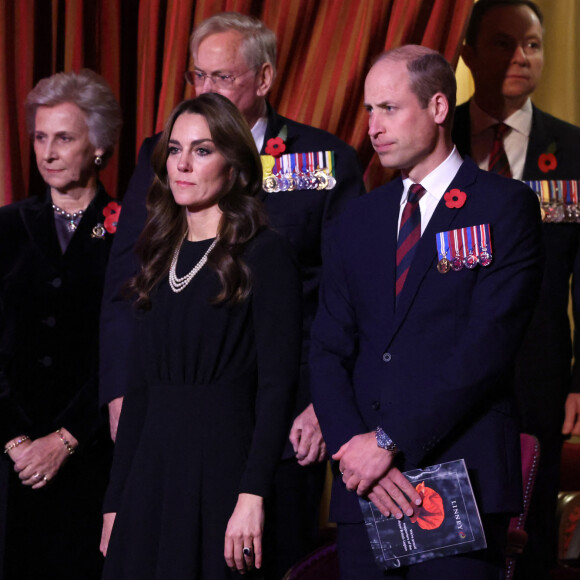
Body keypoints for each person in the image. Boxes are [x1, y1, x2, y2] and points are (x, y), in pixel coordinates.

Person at [99, 12, 366, 575]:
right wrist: (119, 393)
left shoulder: (324, 161)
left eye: (221, 78)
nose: (206, 91)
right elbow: (127, 292)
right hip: (165, 418)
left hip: (280, 414)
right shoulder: (164, 166)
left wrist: (326, 401)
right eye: (197, 77)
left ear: (264, 78)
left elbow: (347, 295)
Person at [310, 45, 544, 579]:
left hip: (460, 476)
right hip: (364, 483)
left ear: (439, 108)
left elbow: (486, 347)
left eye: (389, 108)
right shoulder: (356, 220)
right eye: (369, 111)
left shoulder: (504, 206)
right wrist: (353, 448)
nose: (373, 126)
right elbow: (326, 348)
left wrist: (391, 442)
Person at [99, 93, 301, 580]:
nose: (183, 165)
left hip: (222, 469)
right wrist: (115, 500)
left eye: (203, 150)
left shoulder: (264, 253)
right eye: (174, 150)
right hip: (151, 470)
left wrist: (252, 495)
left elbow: (277, 388)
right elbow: (139, 389)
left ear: (234, 164)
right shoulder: (156, 253)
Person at [453, 1, 580, 575]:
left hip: (539, 370)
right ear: (468, 54)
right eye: (503, 43)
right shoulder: (433, 134)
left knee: (530, 523)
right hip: (443, 359)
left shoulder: (573, 149)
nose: (520, 57)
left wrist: (579, 380)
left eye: (531, 44)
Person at [0, 69, 122, 580]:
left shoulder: (129, 232)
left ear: (97, 147)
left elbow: (126, 352)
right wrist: (16, 440)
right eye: (40, 137)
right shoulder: (5, 226)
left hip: (93, 456)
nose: (47, 152)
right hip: (8, 459)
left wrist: (66, 439)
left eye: (64, 138)